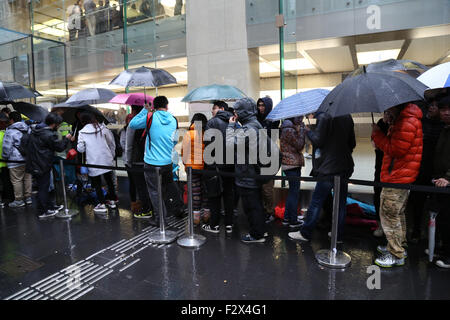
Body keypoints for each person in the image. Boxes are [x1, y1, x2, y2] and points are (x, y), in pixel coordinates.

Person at [288, 112, 356, 244]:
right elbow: (352, 143)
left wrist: (308, 131)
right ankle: (338, 234)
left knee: (316, 201)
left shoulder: (325, 116)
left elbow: (318, 140)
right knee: (341, 203)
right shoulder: (347, 116)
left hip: (328, 168)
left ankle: (305, 232)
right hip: (344, 166)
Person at [371, 102, 423, 268]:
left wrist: (377, 135)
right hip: (402, 176)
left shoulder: (406, 122)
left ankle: (396, 254)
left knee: (389, 214)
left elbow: (395, 150)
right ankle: (399, 245)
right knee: (398, 214)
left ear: (396, 106)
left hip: (397, 177)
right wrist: (390, 123)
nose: (386, 111)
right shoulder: (406, 119)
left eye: (388, 109)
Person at [226, 98, 272, 243]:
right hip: (253, 172)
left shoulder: (250, 128)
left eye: (237, 111)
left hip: (248, 173)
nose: (235, 113)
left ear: (244, 112)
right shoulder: (254, 125)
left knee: (252, 207)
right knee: (255, 204)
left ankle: (257, 235)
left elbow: (229, 143)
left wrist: (230, 126)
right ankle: (260, 231)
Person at [129, 96, 178, 226]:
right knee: (165, 189)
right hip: (167, 162)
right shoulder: (173, 120)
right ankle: (175, 209)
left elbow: (132, 124)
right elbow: (175, 140)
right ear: (167, 106)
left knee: (155, 192)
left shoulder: (150, 117)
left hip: (152, 163)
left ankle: (160, 219)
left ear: (154, 107)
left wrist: (145, 110)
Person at [408, 100, 444, 243]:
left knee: (438, 205)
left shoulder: (444, 126)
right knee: (417, 201)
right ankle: (416, 230)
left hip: (438, 170)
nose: (432, 108)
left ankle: (437, 238)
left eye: (436, 105)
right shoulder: (421, 122)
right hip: (421, 168)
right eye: (431, 105)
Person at [24, 113, 72, 219]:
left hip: (35, 163)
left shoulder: (36, 131)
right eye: (58, 124)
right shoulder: (48, 134)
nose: (59, 126)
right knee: (43, 188)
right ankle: (43, 211)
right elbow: (59, 147)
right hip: (42, 164)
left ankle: (49, 206)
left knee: (43, 186)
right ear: (54, 124)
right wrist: (67, 138)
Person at [201, 101, 235, 234]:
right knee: (229, 195)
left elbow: (208, 144)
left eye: (214, 108)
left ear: (221, 109)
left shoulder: (212, 123)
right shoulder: (234, 123)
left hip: (215, 165)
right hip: (230, 165)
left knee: (214, 195)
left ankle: (214, 225)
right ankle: (229, 224)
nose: (212, 111)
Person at [77, 112, 117, 213]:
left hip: (93, 161)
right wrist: (111, 155)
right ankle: (112, 201)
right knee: (109, 180)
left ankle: (102, 204)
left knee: (97, 183)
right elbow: (111, 143)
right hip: (106, 159)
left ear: (83, 121)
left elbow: (80, 149)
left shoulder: (82, 132)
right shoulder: (103, 128)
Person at [431, 95, 450, 268]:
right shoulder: (445, 129)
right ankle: (443, 249)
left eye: (449, 109)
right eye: (443, 109)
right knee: (443, 218)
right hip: (440, 181)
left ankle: (448, 256)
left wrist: (448, 178)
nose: (446, 113)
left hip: (447, 183)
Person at [182, 113, 209, 225]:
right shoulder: (207, 134)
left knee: (195, 193)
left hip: (192, 169)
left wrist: (186, 164)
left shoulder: (189, 134)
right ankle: (207, 216)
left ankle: (196, 218)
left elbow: (184, 153)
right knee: (205, 192)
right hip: (205, 168)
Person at [256, 96, 279, 224]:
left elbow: (273, 139)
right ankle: (264, 211)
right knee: (260, 187)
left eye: (263, 105)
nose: (261, 108)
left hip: (270, 158)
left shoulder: (274, 121)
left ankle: (270, 212)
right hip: (257, 157)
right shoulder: (256, 119)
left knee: (267, 188)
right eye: (259, 105)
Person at [1, 111, 32, 208]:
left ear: (11, 120)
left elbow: (6, 148)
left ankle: (19, 200)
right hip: (27, 159)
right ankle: (28, 198)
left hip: (15, 160)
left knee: (17, 180)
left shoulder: (10, 132)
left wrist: (5, 157)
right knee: (27, 178)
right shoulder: (28, 129)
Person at [280, 116, 306, 229]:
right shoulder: (289, 130)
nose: (301, 119)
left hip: (290, 163)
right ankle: (293, 220)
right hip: (292, 164)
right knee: (294, 193)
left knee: (292, 192)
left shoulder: (288, 128)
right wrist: (302, 131)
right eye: (299, 117)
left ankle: (287, 218)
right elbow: (300, 145)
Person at [372, 112, 390, 238]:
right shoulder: (379, 123)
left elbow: (389, 147)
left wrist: (377, 134)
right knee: (378, 195)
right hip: (379, 165)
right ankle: (380, 225)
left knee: (390, 200)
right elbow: (375, 145)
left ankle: (389, 230)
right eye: (386, 112)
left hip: (391, 169)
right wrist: (375, 133)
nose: (387, 115)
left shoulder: (397, 125)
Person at [0, 112, 14, 207]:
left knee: (7, 182)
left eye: (6, 122)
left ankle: (7, 198)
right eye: (3, 122)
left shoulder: (6, 133)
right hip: (5, 163)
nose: (5, 124)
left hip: (6, 163)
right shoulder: (6, 133)